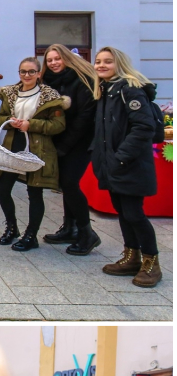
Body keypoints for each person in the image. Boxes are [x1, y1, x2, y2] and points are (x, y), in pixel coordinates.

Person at [92, 46, 162, 287]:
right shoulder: (106, 89)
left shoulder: (130, 89)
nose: (101, 65)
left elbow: (143, 128)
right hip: (113, 164)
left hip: (129, 164)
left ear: (119, 64)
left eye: (107, 62)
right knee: (123, 212)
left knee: (134, 214)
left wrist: (121, 157)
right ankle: (132, 256)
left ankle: (151, 263)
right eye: (98, 61)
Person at [0, 57, 68, 250]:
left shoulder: (50, 96)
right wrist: (10, 120)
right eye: (23, 71)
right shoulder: (10, 93)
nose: (27, 75)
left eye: (31, 71)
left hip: (38, 147)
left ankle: (31, 235)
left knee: (35, 192)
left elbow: (58, 125)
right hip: (12, 144)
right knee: (2, 188)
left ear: (39, 73)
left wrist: (30, 124)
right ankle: (12, 227)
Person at [40, 44, 101, 254]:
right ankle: (69, 228)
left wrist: (65, 146)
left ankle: (87, 233)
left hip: (81, 140)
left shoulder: (82, 80)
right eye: (49, 60)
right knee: (64, 184)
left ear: (66, 58)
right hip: (61, 139)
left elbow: (84, 118)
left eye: (57, 58)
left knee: (70, 183)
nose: (54, 63)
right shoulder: (48, 82)